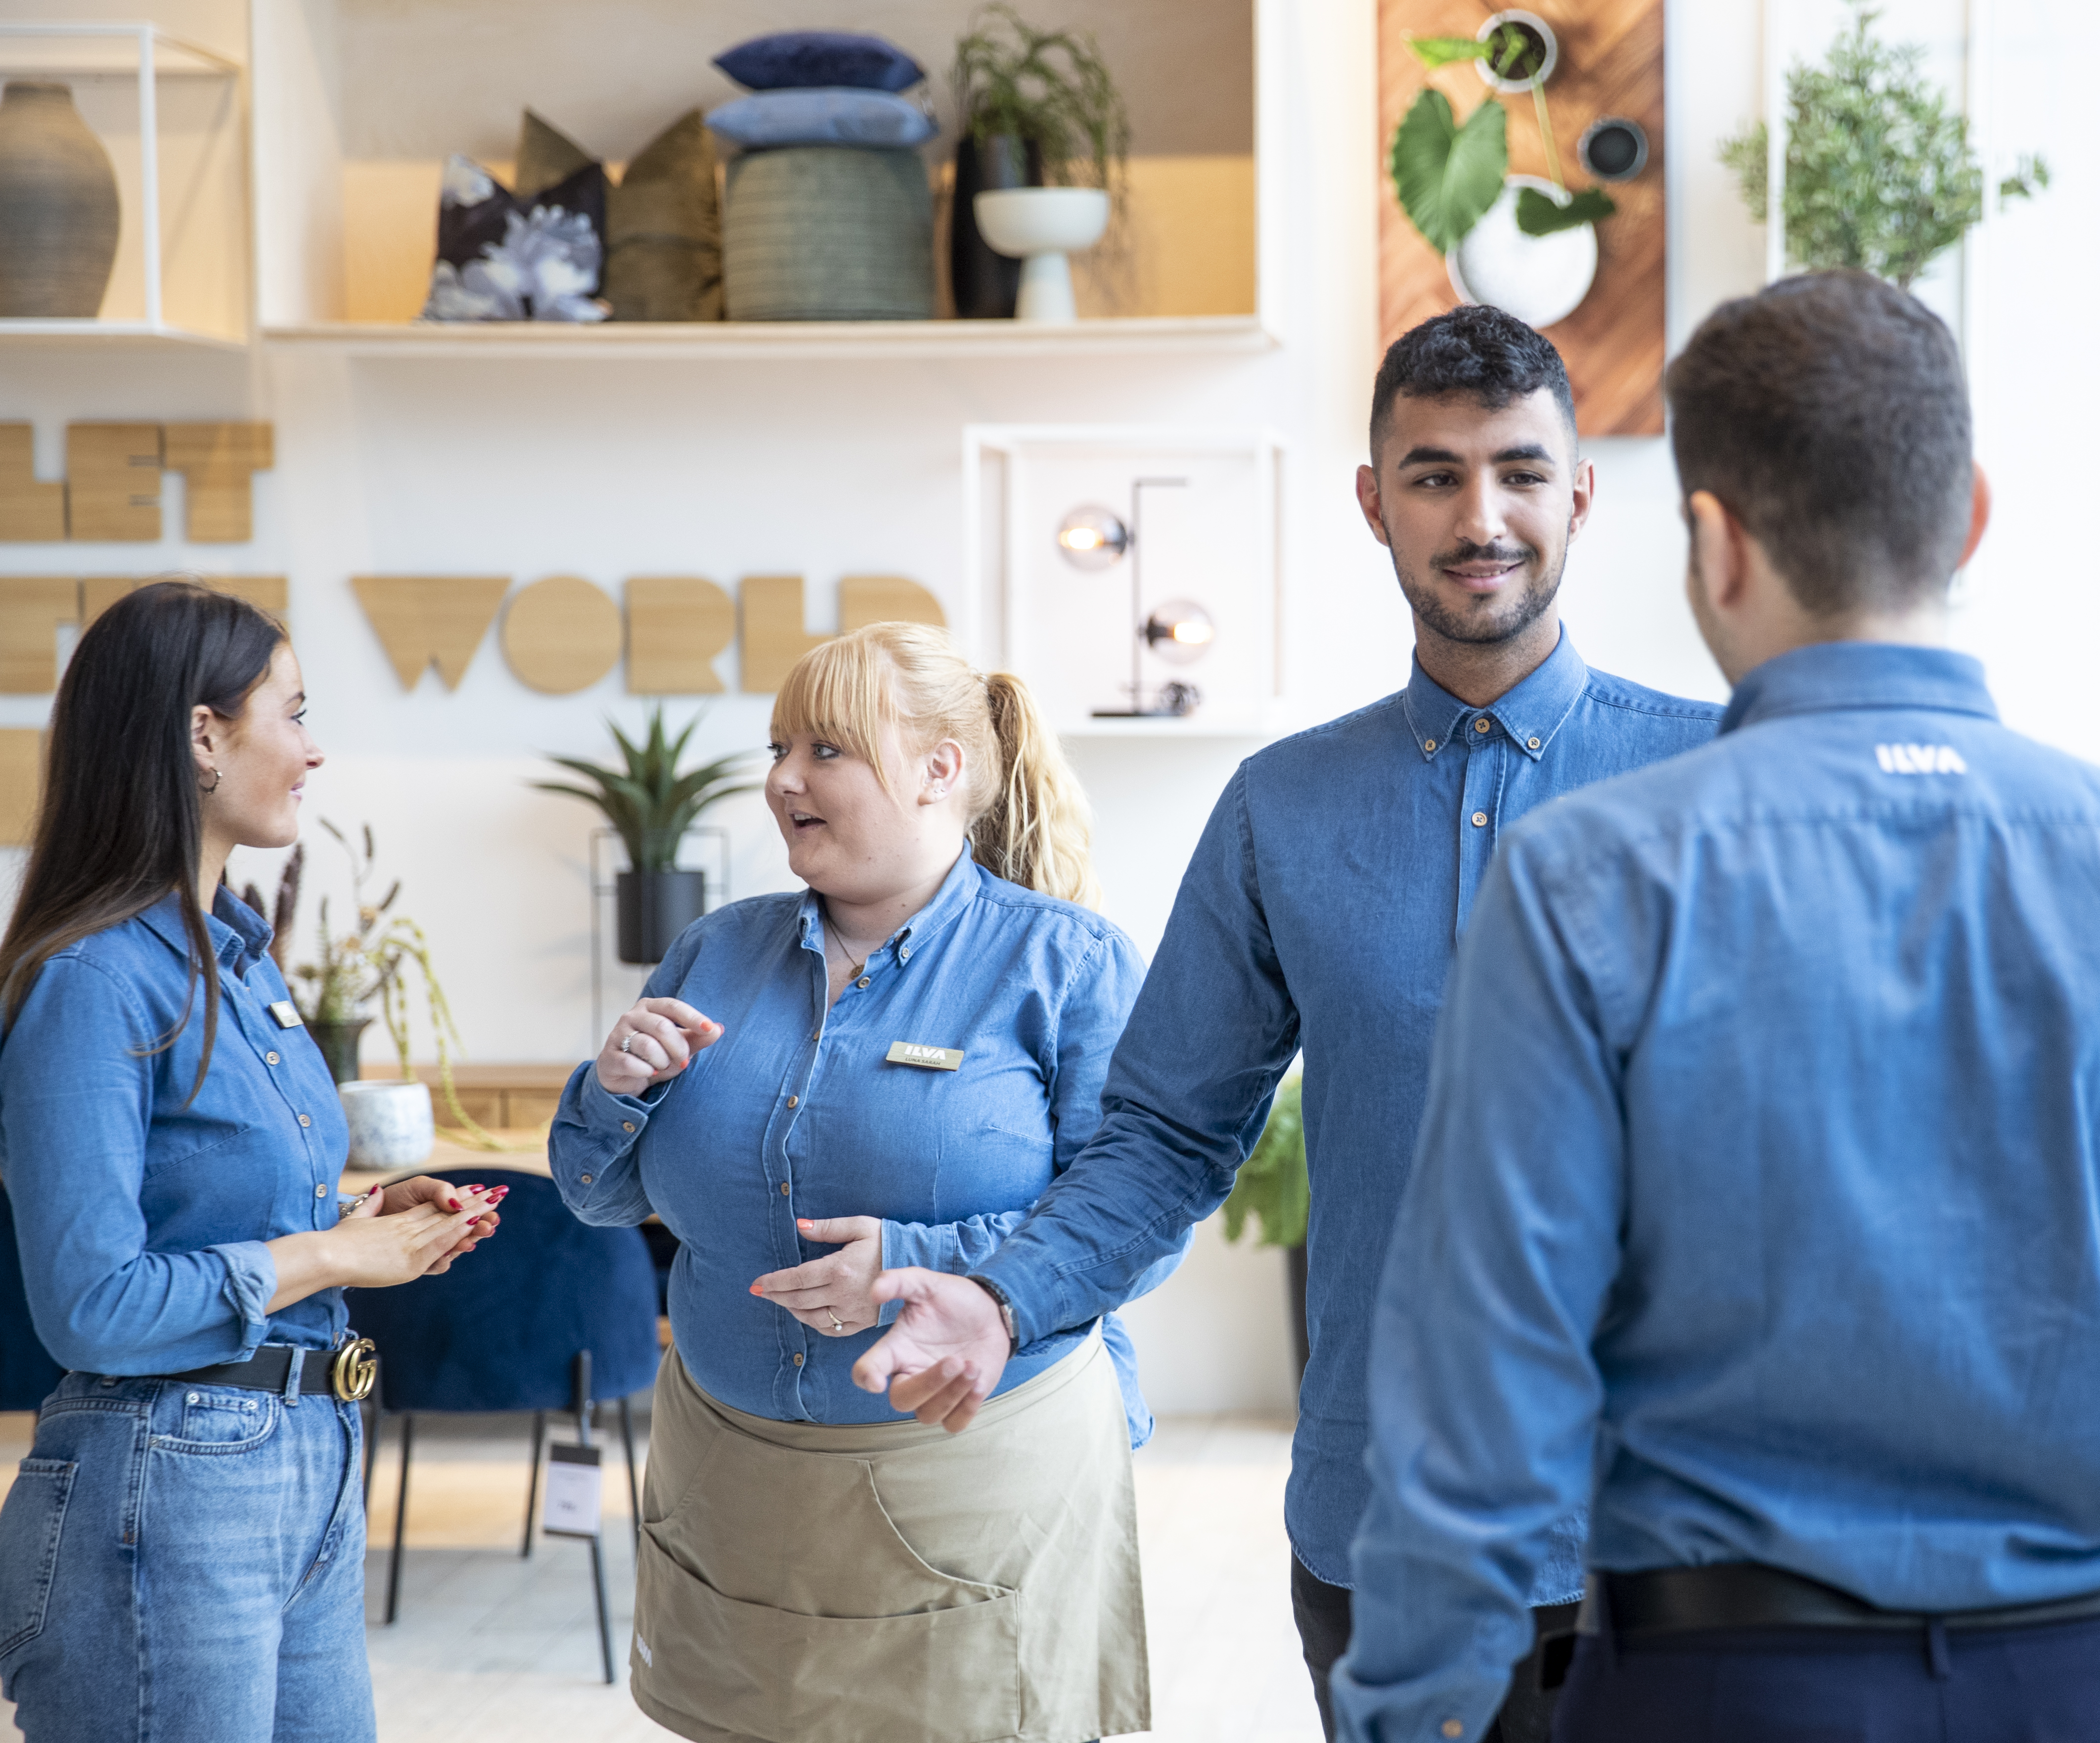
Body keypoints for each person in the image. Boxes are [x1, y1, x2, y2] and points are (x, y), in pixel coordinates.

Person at [851, 306, 1726, 1742]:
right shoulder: (1284, 807)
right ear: (1375, 501)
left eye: (1519, 470)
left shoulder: (1713, 775)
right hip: (1386, 1525)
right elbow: (1167, 1132)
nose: (1481, 513)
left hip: (1665, 1526)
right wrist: (1010, 1292)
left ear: (1579, 492)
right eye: (1435, 473)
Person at [1326, 268, 2100, 1743]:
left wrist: (1413, 1705)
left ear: (1710, 542)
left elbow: (1483, 1373)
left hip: (1725, 1684)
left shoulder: (1588, 879)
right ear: (1974, 513)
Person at [547, 622, 1181, 1743]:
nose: (784, 777)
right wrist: (612, 1089)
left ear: (942, 767)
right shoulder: (714, 950)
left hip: (974, 1475)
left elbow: (1140, 1216)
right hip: (733, 1475)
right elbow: (601, 1198)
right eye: (780, 744)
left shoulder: (1068, 961)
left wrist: (924, 1264)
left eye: (827, 747)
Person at [0, 580, 502, 1743]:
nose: (316, 748)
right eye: (295, 709)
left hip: (308, 1453)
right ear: (202, 734)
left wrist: (367, 1218)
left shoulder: (246, 963)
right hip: (167, 1480)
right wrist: (330, 1248)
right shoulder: (92, 985)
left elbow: (213, 1210)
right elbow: (91, 1305)